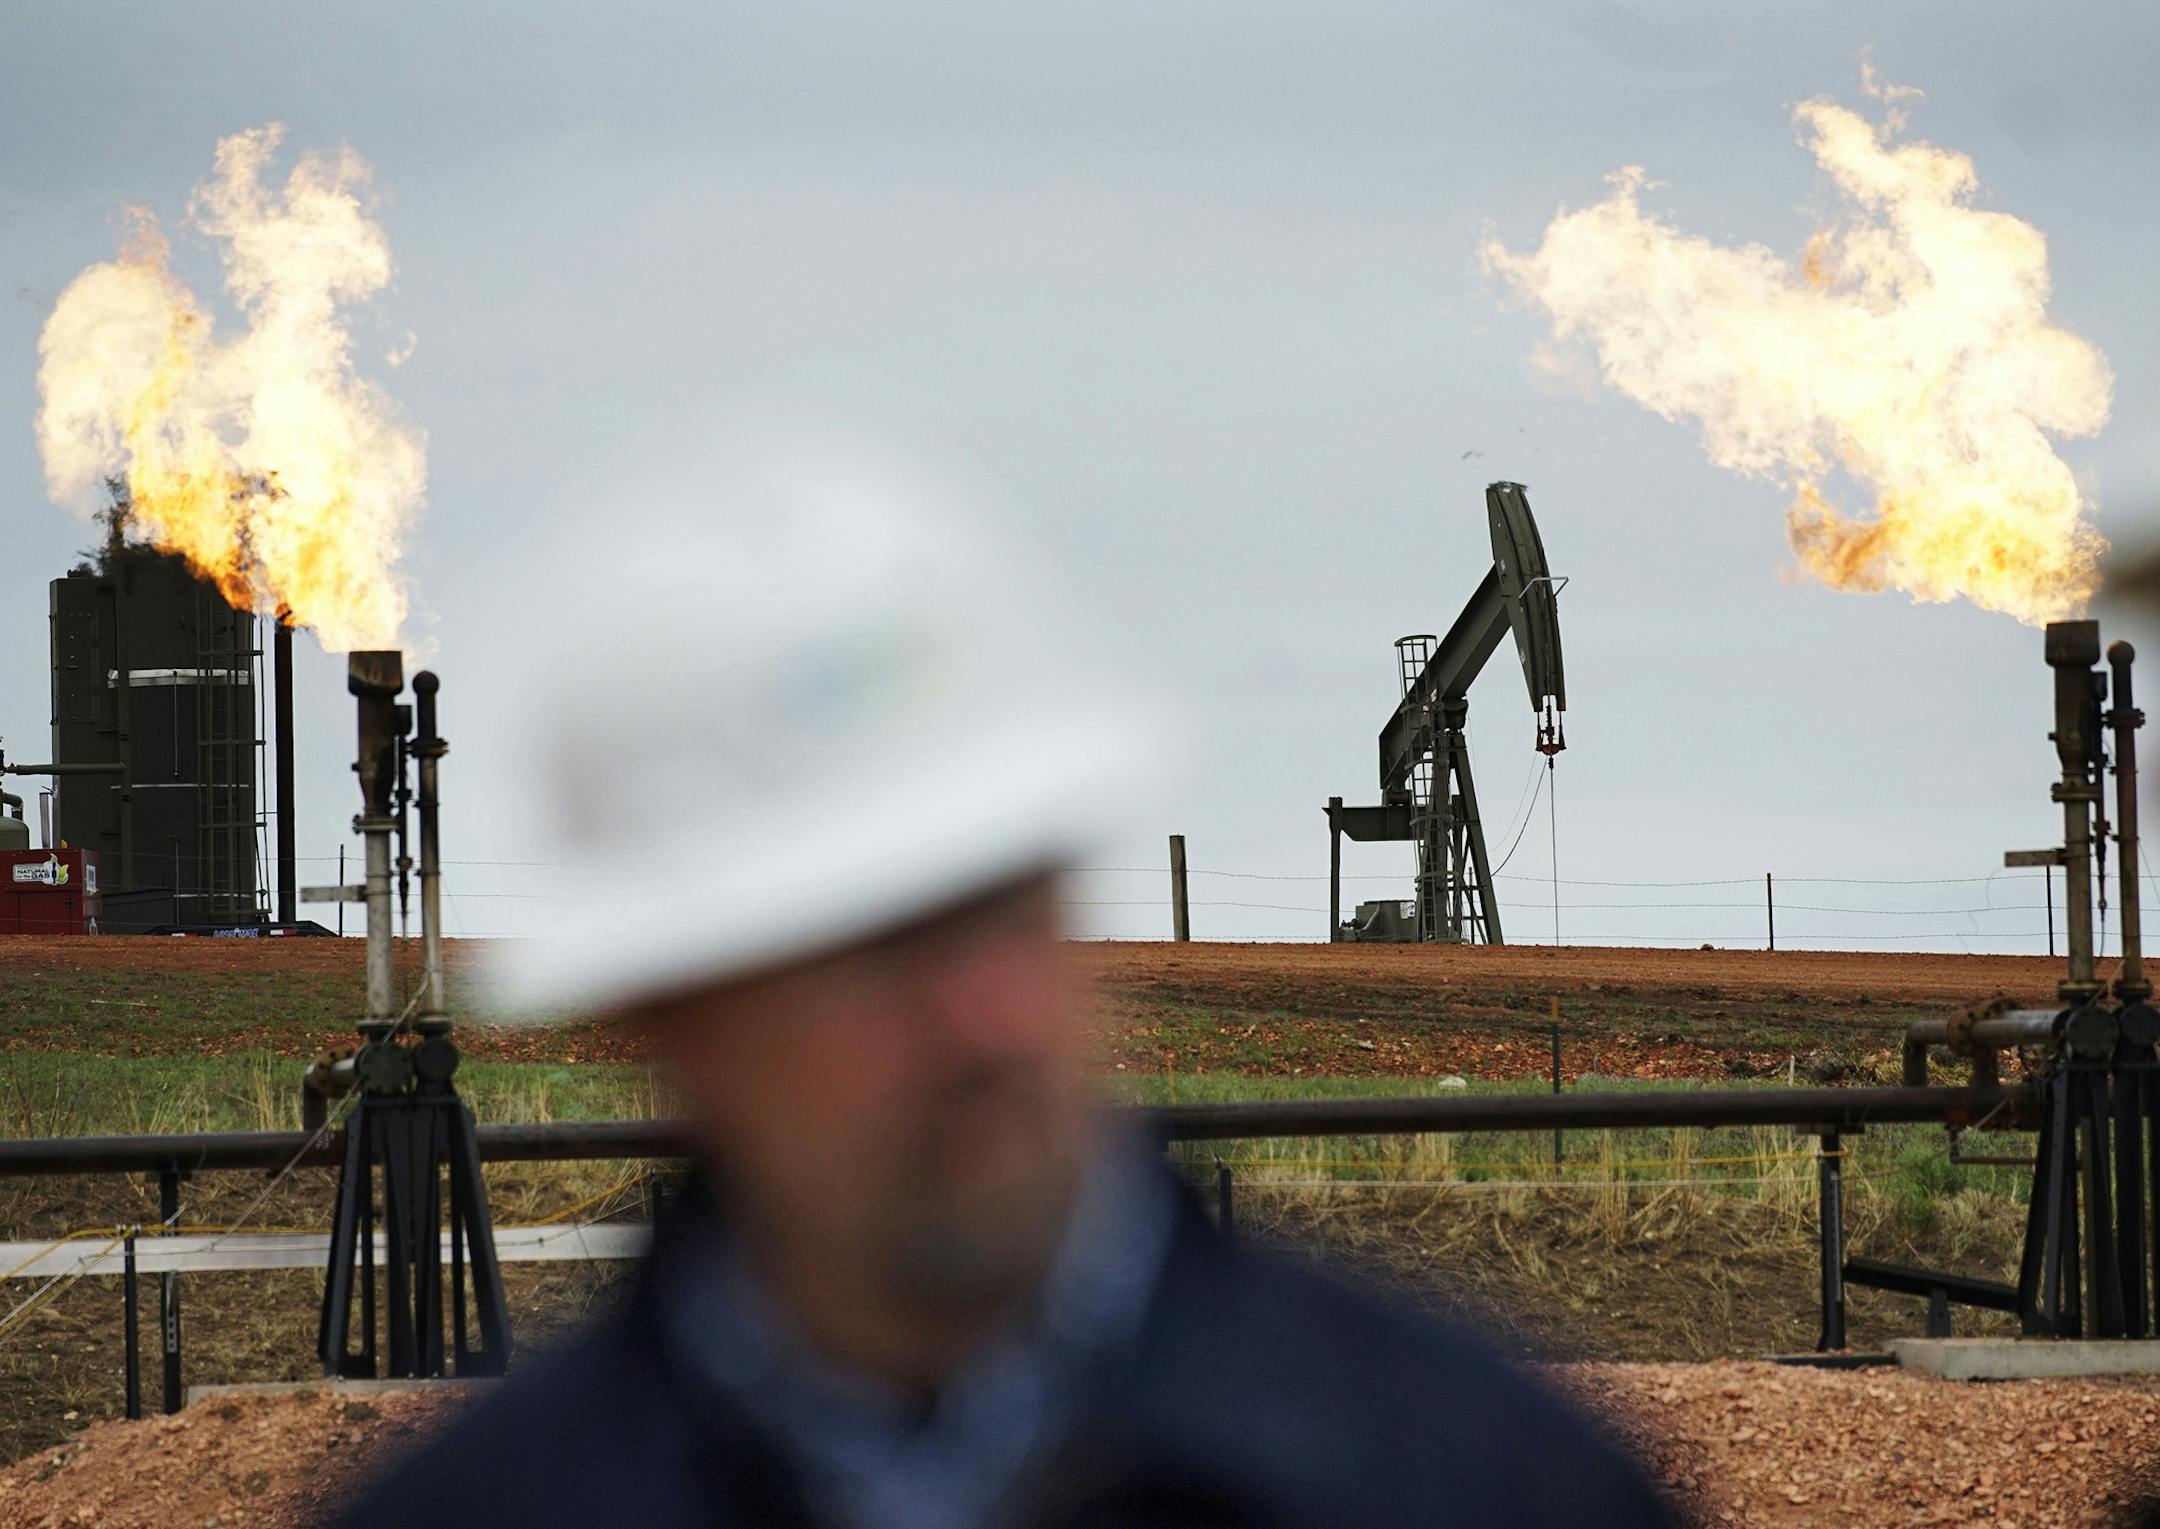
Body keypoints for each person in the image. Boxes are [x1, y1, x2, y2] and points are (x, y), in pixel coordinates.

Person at [337, 471, 1673, 1527]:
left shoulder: (1494, 1481)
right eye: (867, 946)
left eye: (1005, 904)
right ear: (667, 1015)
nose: (985, 1017)